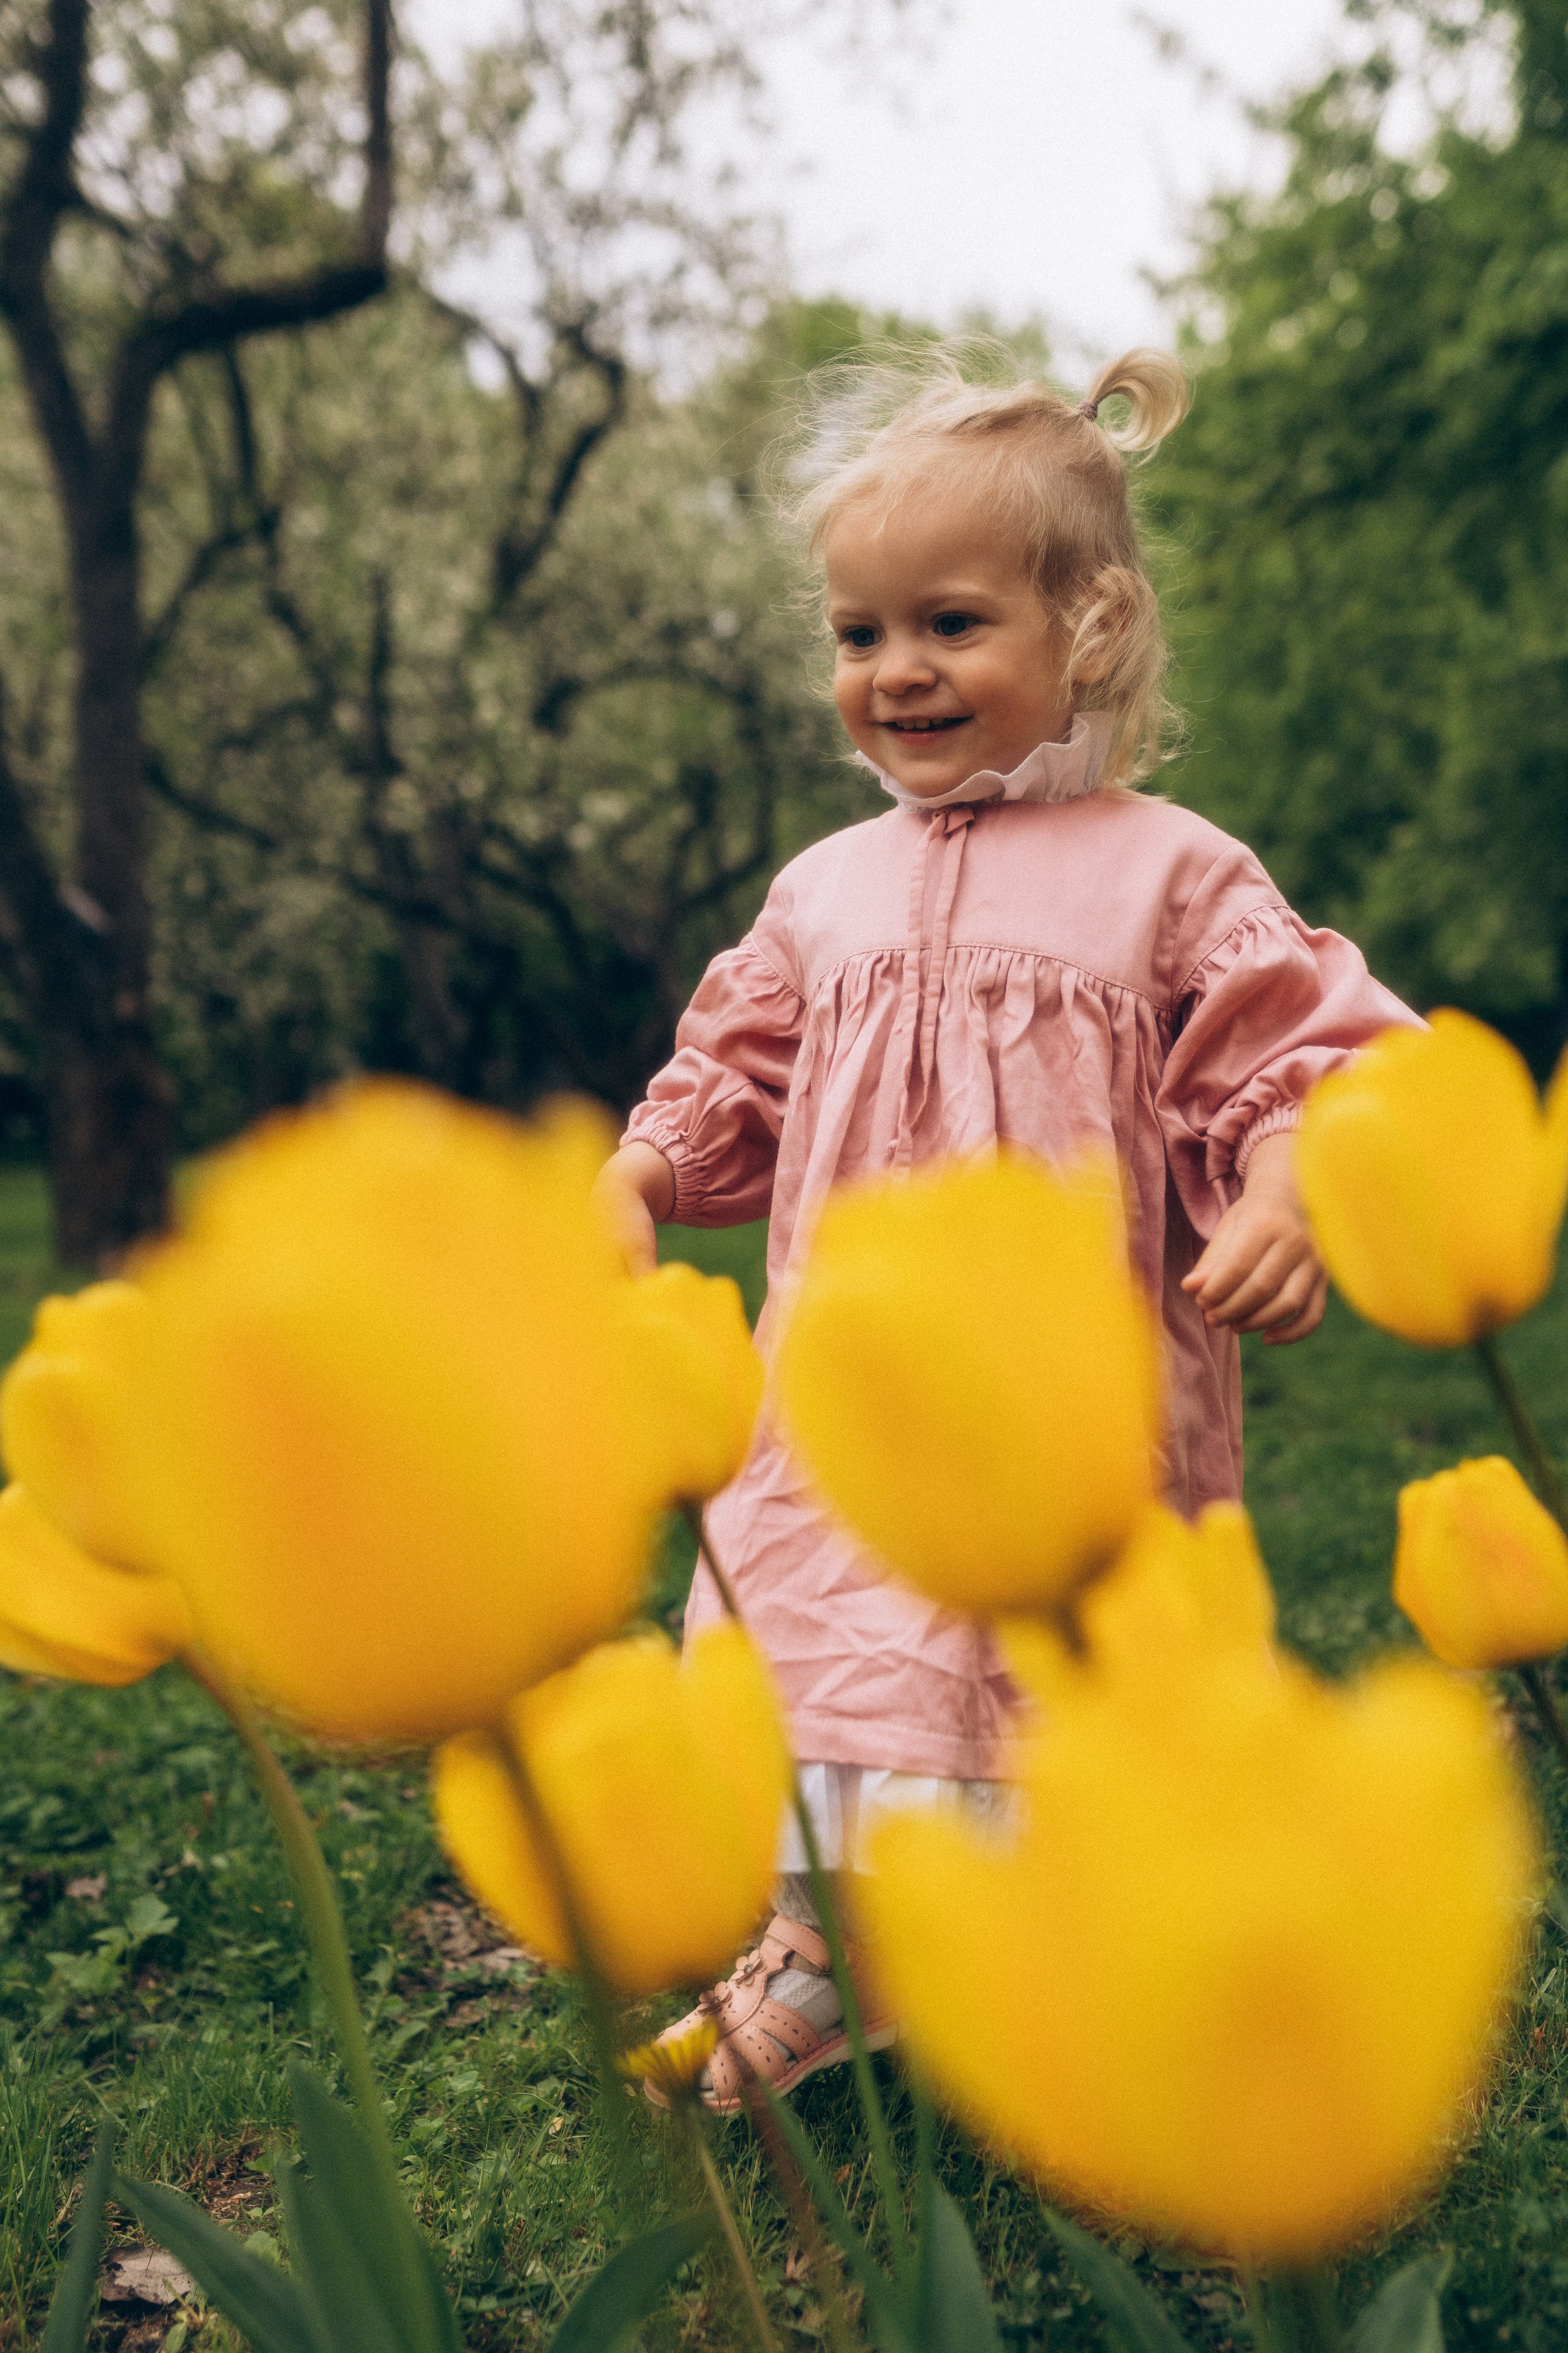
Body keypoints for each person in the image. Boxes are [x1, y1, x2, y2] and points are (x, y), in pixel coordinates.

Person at [592, 349, 1414, 2112]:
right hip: (850, 1385)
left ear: (1090, 625)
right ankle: (825, 1962)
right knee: (830, 1639)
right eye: (857, 630)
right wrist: (643, 1172)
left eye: (949, 622)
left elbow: (1305, 1053)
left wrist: (1284, 1184)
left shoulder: (1170, 871)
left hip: (1069, 1385)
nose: (895, 670)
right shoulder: (824, 889)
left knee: (1060, 1675)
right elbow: (730, 1065)